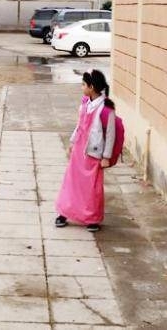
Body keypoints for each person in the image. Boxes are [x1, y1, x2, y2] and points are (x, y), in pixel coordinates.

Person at [55, 69, 116, 232]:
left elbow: (110, 135)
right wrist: (72, 142)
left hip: (94, 153)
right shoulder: (85, 103)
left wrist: (106, 156)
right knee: (71, 182)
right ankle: (64, 212)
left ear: (92, 86)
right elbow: (80, 125)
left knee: (91, 187)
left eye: (83, 84)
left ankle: (92, 218)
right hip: (79, 150)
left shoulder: (106, 109)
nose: (81, 87)